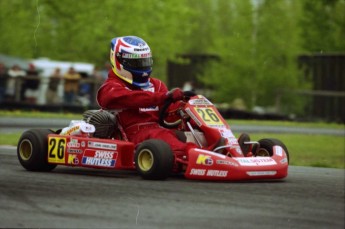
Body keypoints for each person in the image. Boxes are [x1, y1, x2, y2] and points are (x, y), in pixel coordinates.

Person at [97, 36, 220, 159]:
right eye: (137, 63)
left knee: (190, 123)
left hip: (159, 131)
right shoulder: (111, 88)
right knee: (159, 134)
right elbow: (135, 98)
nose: (142, 66)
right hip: (134, 136)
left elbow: (167, 112)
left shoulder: (156, 85)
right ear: (119, 61)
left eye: (145, 61)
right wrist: (164, 96)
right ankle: (198, 156)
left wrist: (185, 107)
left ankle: (223, 144)